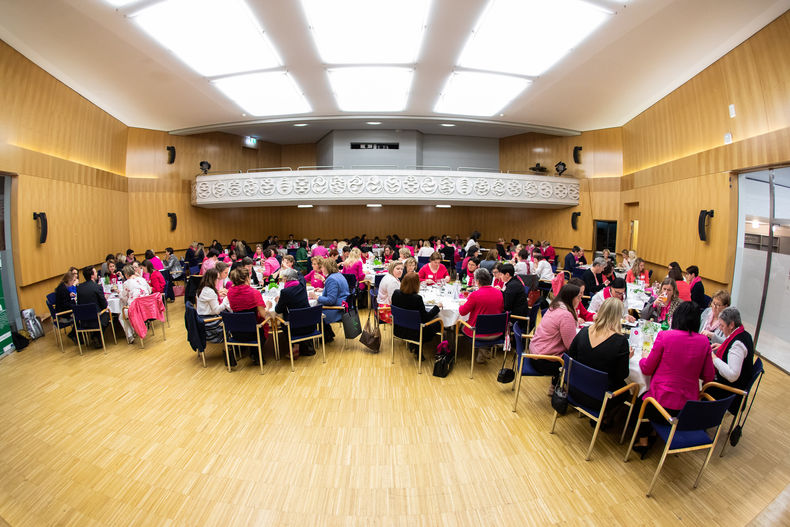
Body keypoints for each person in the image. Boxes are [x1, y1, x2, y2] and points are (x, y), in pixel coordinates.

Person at [635, 302, 715, 454]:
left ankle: (643, 441)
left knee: (641, 399)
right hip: (687, 409)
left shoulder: (665, 336)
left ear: (677, 318)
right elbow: (708, 376)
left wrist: (643, 358)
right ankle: (653, 433)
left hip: (659, 405)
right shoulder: (704, 342)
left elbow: (647, 368)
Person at [567, 297, 631, 414]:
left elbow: (571, 355)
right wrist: (626, 358)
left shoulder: (584, 331)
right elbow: (621, 375)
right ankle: (606, 418)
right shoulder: (620, 342)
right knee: (628, 389)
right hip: (598, 399)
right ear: (618, 317)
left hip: (573, 389)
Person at [529, 283, 581, 390]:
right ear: (571, 298)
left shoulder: (554, 307)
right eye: (578, 297)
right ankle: (565, 391)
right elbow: (570, 345)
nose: (580, 300)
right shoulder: (566, 315)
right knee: (578, 357)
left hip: (535, 352)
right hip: (544, 360)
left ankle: (555, 386)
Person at [458, 268, 505, 364]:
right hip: (496, 331)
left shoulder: (475, 295)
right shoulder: (499, 293)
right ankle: (483, 350)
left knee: (460, 325)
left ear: (477, 281)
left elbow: (462, 312)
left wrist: (461, 304)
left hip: (478, 333)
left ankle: (481, 350)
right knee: (485, 323)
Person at [709, 307, 755, 402]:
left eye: (722, 326)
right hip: (736, 384)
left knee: (702, 381)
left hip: (729, 392)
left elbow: (732, 375)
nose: (720, 329)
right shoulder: (745, 334)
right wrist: (723, 346)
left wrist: (713, 357)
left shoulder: (737, 344)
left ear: (731, 325)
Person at [226, 267, 269, 365]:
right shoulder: (254, 293)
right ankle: (256, 353)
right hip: (254, 332)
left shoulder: (230, 292)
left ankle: (254, 353)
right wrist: (268, 305)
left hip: (236, 331)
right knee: (263, 324)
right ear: (247, 279)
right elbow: (263, 314)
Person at [391, 271, 441, 354]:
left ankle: (415, 345)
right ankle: (417, 345)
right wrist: (436, 307)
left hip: (398, 329)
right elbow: (425, 318)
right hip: (416, 333)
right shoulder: (417, 298)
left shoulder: (396, 293)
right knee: (438, 323)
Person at [274, 267, 316, 358]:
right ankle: (297, 346)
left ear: (285, 279)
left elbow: (278, 310)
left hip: (294, 328)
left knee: (285, 318)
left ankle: (295, 346)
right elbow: (300, 275)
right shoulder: (302, 285)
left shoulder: (285, 292)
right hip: (310, 324)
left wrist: (278, 301)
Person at [309, 258, 349, 343]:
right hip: (343, 305)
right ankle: (328, 334)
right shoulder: (338, 275)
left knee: (314, 311)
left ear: (327, 268)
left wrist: (316, 297)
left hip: (337, 309)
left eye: (323, 267)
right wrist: (323, 290)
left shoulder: (331, 279)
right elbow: (336, 291)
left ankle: (324, 336)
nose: (321, 269)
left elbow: (331, 300)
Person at [76, 266, 110, 347]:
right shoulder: (97, 287)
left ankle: (95, 336)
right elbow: (104, 305)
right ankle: (97, 336)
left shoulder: (79, 288)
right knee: (107, 315)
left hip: (83, 321)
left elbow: (79, 303)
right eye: (95, 272)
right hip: (96, 319)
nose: (96, 274)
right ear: (92, 276)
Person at [195, 268, 231, 344]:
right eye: (217, 278)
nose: (219, 280)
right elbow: (217, 310)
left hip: (202, 321)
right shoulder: (209, 291)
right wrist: (227, 299)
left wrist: (217, 294)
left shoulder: (203, 288)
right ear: (212, 279)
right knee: (231, 320)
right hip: (211, 326)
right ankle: (231, 348)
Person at [119, 264, 152, 343]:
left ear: (126, 274)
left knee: (122, 316)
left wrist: (119, 292)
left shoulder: (127, 283)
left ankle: (130, 335)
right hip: (147, 308)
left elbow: (123, 297)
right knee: (128, 310)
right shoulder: (142, 279)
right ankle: (134, 330)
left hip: (136, 310)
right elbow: (149, 291)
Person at [500, 263, 528, 328]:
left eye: (501, 274)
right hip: (520, 313)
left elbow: (507, 306)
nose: (500, 276)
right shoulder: (515, 281)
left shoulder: (512, 286)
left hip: (516, 318)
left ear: (507, 274)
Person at [55, 271, 78, 341]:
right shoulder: (63, 290)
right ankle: (73, 334)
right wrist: (74, 302)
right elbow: (66, 305)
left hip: (62, 310)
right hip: (63, 314)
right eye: (73, 281)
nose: (73, 282)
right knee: (80, 316)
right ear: (69, 280)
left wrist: (69, 294)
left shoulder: (62, 287)